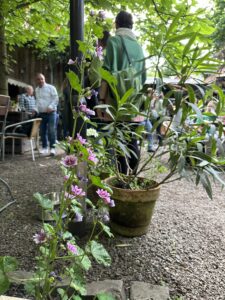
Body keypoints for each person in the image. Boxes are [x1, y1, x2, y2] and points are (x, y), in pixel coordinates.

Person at [99, 11, 146, 174]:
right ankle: (132, 177)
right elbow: (144, 77)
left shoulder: (114, 41)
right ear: (131, 25)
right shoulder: (138, 46)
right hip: (134, 100)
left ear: (116, 24)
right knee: (132, 140)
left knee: (117, 140)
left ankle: (121, 179)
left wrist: (101, 100)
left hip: (115, 100)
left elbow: (106, 72)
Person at [35, 73, 59, 156]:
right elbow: (38, 102)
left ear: (44, 79)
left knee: (52, 130)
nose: (40, 80)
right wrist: (35, 109)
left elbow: (56, 98)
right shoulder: (36, 90)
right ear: (36, 80)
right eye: (39, 79)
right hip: (41, 113)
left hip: (51, 113)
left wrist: (50, 106)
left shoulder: (51, 88)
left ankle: (52, 148)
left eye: (42, 79)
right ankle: (45, 148)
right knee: (42, 131)